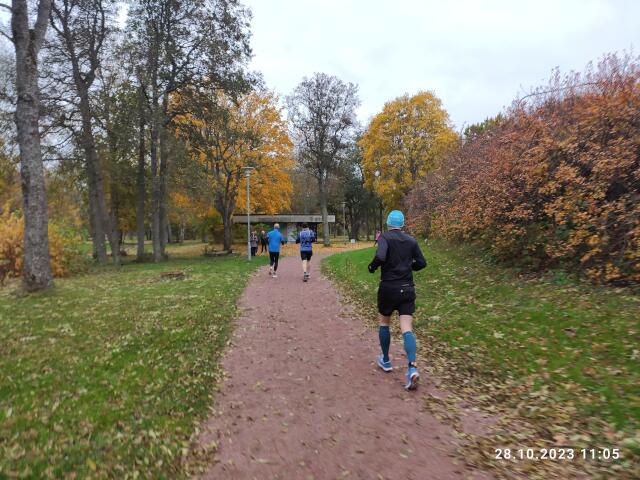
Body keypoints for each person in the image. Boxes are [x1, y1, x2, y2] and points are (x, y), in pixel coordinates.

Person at [368, 210, 427, 390]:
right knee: (407, 328)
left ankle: (386, 360)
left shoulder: (384, 237)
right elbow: (422, 263)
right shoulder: (411, 240)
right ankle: (412, 368)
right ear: (402, 224)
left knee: (384, 323)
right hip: (407, 288)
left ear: (388, 224)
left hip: (388, 288)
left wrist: (372, 266)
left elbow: (380, 256)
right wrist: (409, 267)